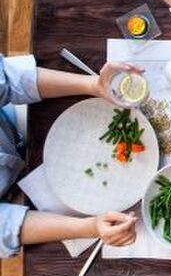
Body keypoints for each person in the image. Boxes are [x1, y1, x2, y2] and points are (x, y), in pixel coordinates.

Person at [0, 55, 138, 258]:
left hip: (14, 133)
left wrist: (93, 85)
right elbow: (5, 226)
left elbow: (10, 81)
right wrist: (91, 226)